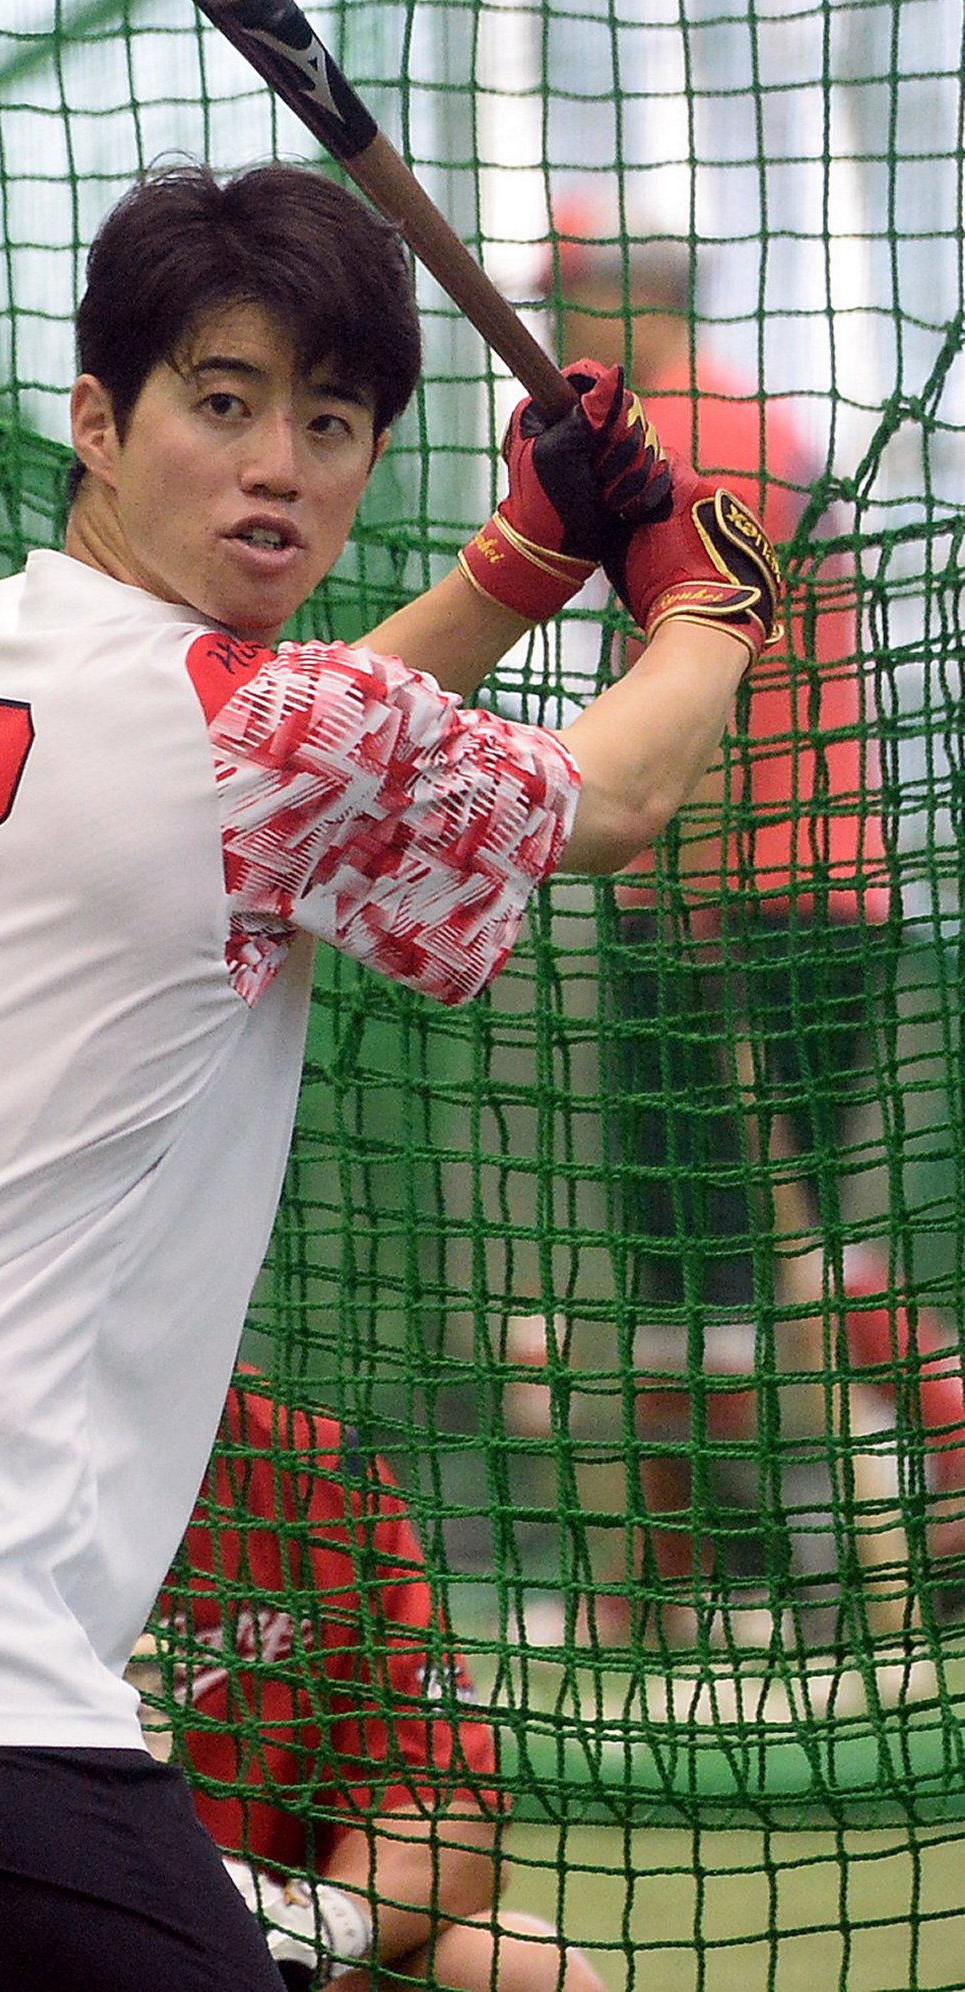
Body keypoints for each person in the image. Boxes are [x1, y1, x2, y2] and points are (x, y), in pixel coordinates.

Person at [0, 158, 779, 1992]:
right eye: (221, 403)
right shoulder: (253, 736)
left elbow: (294, 769)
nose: (278, 464)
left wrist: (518, 572)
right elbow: (619, 794)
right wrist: (708, 610)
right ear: (96, 422)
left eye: (331, 421)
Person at [0, 1377, 605, 1992]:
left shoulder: (314, 1469)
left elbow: (444, 1824)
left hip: (262, 1969)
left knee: (518, 1967)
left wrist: (307, 1931)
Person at [537, 187, 891, 1647]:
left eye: (574, 298)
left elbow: (716, 691)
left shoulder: (694, 434)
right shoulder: (726, 423)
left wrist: (683, 894)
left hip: (745, 899)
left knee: (723, 1265)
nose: (559, 328)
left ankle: (787, 1582)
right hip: (770, 893)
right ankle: (767, 1582)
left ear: (645, 298)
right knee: (733, 1263)